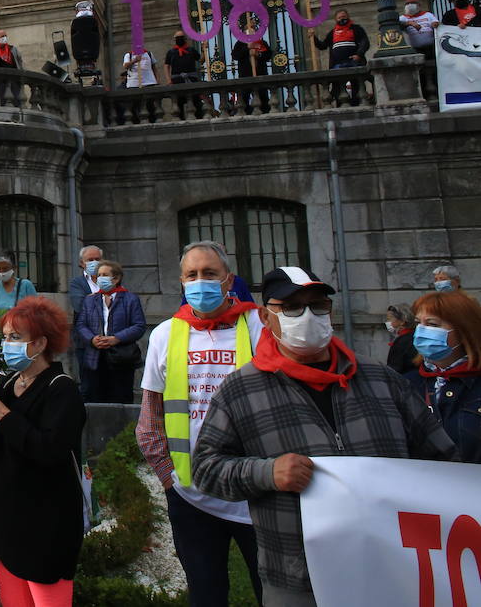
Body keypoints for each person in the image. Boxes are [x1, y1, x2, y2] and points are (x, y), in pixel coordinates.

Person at [192, 266, 456, 605]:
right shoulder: (240, 390)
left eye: (318, 305)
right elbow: (206, 470)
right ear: (266, 317)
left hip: (393, 568)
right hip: (299, 581)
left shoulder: (381, 379)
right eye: (292, 307)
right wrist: (266, 473)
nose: (308, 316)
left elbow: (442, 457)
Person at [136, 240, 263, 607]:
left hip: (255, 491)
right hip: (192, 495)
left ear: (228, 280)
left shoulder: (259, 327)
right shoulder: (164, 334)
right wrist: (169, 480)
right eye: (191, 275)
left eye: (210, 273)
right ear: (181, 281)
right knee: (206, 595)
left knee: (273, 592)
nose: (200, 281)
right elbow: (149, 418)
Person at [0, 297, 86, 607]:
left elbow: (49, 450)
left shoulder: (61, 389)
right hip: (6, 526)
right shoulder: (5, 386)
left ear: (40, 343)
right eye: (5, 337)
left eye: (16, 337)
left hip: (45, 529)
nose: (7, 345)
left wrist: (5, 417)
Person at [406, 289, 481, 462]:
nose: (422, 331)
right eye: (418, 323)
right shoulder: (406, 383)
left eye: (432, 324)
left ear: (463, 331)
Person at [75, 260, 146, 403]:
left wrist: (117, 338)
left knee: (121, 397)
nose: (100, 278)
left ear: (116, 278)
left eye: (105, 275)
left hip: (121, 357)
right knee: (94, 397)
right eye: (99, 275)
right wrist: (92, 339)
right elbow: (81, 324)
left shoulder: (130, 299)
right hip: (95, 357)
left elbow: (139, 326)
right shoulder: (90, 300)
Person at [120, 46, 159, 123]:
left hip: (148, 83)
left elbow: (154, 67)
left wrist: (157, 79)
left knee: (150, 105)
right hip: (134, 84)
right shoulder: (129, 55)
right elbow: (125, 66)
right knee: (135, 105)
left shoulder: (148, 54)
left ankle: (152, 121)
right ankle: (136, 121)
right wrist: (134, 61)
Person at [67, 246, 104, 316]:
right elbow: (79, 306)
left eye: (97, 259)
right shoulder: (76, 283)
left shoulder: (109, 280)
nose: (94, 262)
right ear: (82, 263)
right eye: (90, 260)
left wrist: (90, 298)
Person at [384, 303, 418, 374]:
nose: (387, 322)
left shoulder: (402, 340)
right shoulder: (413, 335)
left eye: (389, 319)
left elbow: (395, 366)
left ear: (402, 321)